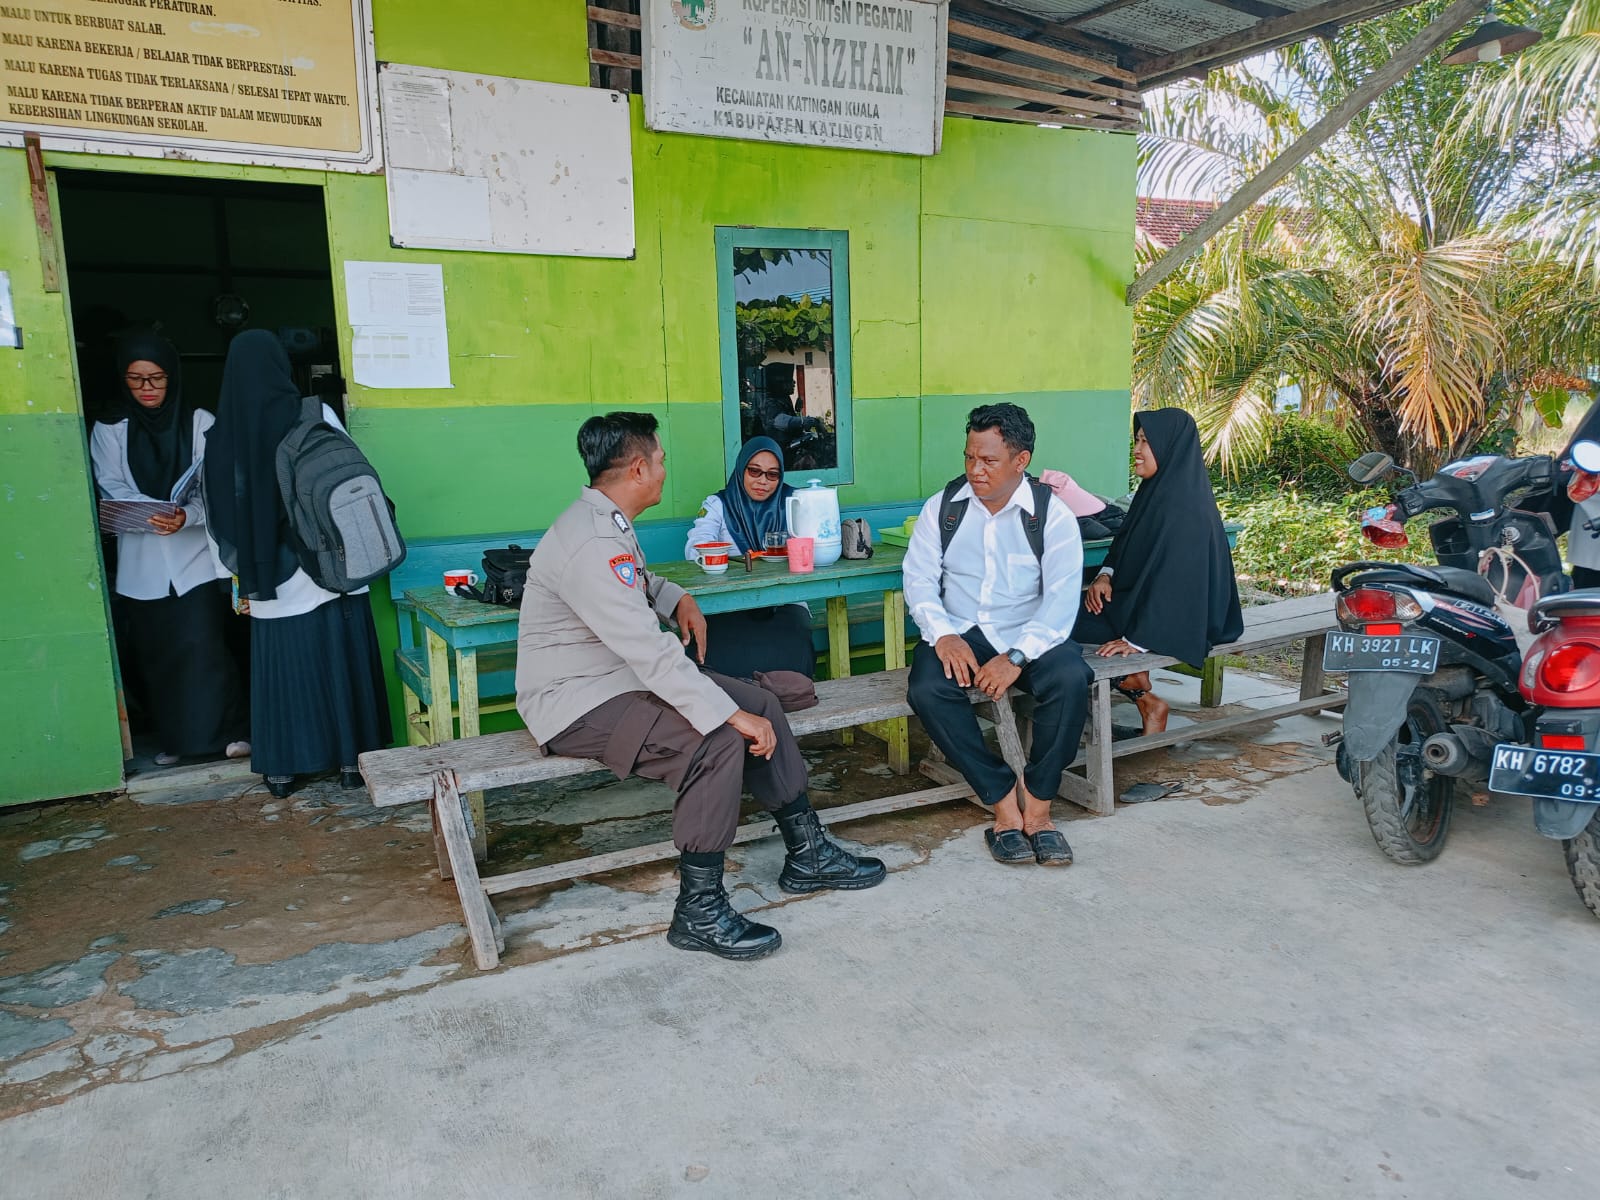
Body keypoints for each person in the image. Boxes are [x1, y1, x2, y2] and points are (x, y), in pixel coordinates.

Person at [516, 411, 884, 960]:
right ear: (638, 468)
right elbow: (648, 649)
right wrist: (725, 716)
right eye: (660, 460)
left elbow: (633, 585)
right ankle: (700, 910)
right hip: (576, 699)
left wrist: (674, 596)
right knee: (714, 742)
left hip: (616, 679)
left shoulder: (605, 522)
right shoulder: (591, 540)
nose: (665, 469)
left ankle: (807, 852)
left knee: (760, 700)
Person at [203, 330, 391, 800]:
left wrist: (238, 578)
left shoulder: (219, 437)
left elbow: (216, 518)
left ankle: (285, 770)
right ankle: (353, 763)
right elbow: (349, 481)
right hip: (332, 566)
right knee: (340, 662)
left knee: (285, 674)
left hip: (273, 580)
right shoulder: (314, 413)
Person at [903, 403, 1090, 867]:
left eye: (988, 461)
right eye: (969, 457)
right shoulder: (942, 507)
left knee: (1070, 682)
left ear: (1020, 461)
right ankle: (1004, 804)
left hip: (1030, 632)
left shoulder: (1052, 515)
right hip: (962, 630)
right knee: (927, 689)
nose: (975, 470)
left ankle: (1040, 811)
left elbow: (1061, 601)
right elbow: (919, 579)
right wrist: (943, 635)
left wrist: (1017, 656)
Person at [90, 331, 249, 767]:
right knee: (158, 655)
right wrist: (152, 511)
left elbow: (214, 485)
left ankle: (230, 734)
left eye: (156, 378)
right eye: (136, 379)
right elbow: (110, 483)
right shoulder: (109, 426)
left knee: (206, 648)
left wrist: (187, 516)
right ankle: (177, 742)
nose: (147, 389)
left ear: (172, 377)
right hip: (141, 565)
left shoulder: (199, 420)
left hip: (194, 557)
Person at [1071, 409, 1244, 735]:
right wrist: (1105, 575)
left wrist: (1138, 641)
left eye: (1146, 442)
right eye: (1137, 440)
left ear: (1169, 447)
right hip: (1140, 605)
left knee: (1067, 632)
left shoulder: (1187, 509)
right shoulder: (1153, 494)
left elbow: (1181, 584)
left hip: (1182, 617)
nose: (1136, 450)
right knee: (1060, 617)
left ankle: (1141, 697)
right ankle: (1144, 698)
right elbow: (1122, 545)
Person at [683, 436, 815, 678]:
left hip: (784, 600)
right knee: (714, 641)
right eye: (755, 471)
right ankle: (731, 705)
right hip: (729, 602)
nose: (763, 481)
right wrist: (729, 556)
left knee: (793, 637)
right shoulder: (718, 504)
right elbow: (695, 548)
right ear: (741, 468)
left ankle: (791, 695)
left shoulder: (795, 502)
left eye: (772, 474)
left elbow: (814, 543)